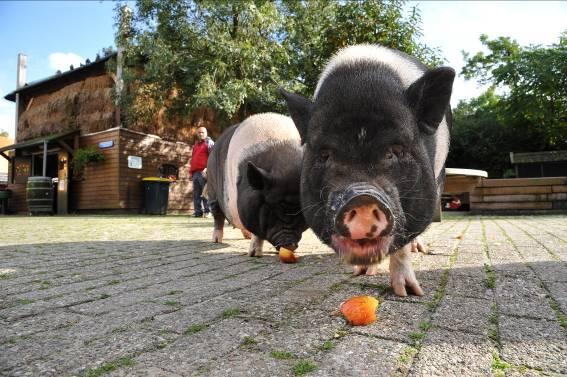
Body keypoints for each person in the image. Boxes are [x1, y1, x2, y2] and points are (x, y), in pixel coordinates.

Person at [189, 127, 214, 217]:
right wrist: (191, 172)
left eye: (202, 132)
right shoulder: (195, 145)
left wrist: (207, 169)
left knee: (205, 193)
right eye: (199, 132)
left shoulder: (209, 143)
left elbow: (213, 157)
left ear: (206, 133)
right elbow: (193, 158)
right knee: (196, 194)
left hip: (204, 172)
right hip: (195, 172)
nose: (200, 134)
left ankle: (208, 211)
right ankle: (198, 212)